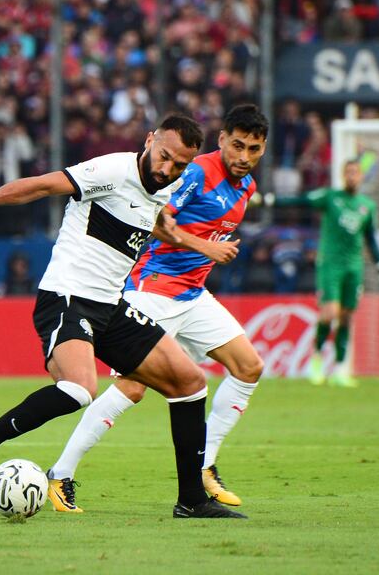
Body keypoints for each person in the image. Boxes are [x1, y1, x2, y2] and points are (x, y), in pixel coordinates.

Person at [0, 114, 245, 519]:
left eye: (179, 165)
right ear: (150, 139)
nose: (167, 169)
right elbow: (43, 184)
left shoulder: (166, 184)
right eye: (164, 156)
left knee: (189, 383)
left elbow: (151, 220)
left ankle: (191, 500)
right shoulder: (111, 170)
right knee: (79, 388)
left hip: (110, 305)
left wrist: (198, 245)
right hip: (68, 296)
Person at [47, 104, 268, 513]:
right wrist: (206, 246)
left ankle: (205, 465)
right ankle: (61, 473)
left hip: (193, 295)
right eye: (237, 145)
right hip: (152, 288)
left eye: (254, 149)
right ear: (221, 140)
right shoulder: (196, 172)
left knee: (249, 366)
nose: (244, 156)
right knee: (132, 388)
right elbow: (156, 218)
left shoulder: (247, 188)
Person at [273, 160, 379, 387]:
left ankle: (340, 368)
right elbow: (302, 201)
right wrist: (270, 200)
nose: (352, 176)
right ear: (342, 175)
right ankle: (317, 359)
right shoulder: (331, 197)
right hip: (330, 265)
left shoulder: (366, 206)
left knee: (346, 317)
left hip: (353, 267)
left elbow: (371, 239)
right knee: (330, 313)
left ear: (361, 177)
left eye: (355, 173)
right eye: (348, 172)